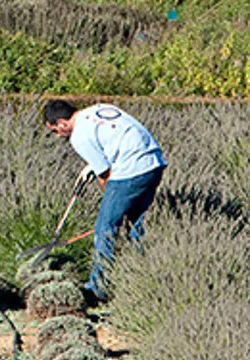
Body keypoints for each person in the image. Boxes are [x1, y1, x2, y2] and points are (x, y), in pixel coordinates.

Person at [41, 99, 166, 304]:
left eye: (55, 130)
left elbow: (106, 175)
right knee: (136, 226)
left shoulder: (79, 137)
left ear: (62, 123)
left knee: (105, 228)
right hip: (153, 163)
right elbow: (112, 138)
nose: (58, 135)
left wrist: (109, 202)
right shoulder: (99, 108)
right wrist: (91, 165)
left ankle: (98, 290)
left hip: (130, 171)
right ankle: (139, 280)